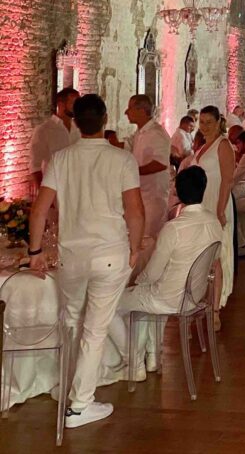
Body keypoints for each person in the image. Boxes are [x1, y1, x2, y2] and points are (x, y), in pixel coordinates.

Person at [27, 94, 144, 428]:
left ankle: (68, 386)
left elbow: (39, 209)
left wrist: (35, 251)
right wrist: (135, 247)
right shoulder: (121, 159)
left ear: (75, 122)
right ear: (105, 119)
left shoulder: (61, 159)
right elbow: (135, 211)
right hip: (109, 253)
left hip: (72, 256)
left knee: (73, 321)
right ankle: (79, 405)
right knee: (94, 330)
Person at [108, 166, 223, 378]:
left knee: (108, 305)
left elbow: (152, 273)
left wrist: (137, 281)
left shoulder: (174, 228)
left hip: (170, 299)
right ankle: (153, 356)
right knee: (151, 292)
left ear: (177, 192)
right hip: (195, 296)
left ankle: (133, 361)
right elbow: (214, 263)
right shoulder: (214, 222)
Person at [194, 106, 236, 327]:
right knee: (202, 256)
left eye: (209, 122)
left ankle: (216, 309)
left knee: (217, 258)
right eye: (201, 122)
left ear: (219, 122)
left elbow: (228, 179)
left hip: (216, 203)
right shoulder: (202, 146)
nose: (204, 126)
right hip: (202, 204)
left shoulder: (223, 145)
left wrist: (220, 210)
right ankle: (202, 302)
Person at [125, 95, 171, 243]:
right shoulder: (140, 133)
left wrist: (133, 172)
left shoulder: (156, 133)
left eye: (130, 108)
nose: (126, 112)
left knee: (149, 239)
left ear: (141, 111)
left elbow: (160, 163)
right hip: (141, 194)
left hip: (153, 197)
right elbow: (127, 147)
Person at [29, 86, 80, 191]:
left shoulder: (79, 129)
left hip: (76, 188)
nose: (77, 107)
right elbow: (35, 166)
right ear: (61, 104)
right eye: (74, 103)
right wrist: (43, 193)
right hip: (54, 189)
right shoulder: (44, 130)